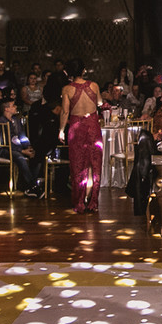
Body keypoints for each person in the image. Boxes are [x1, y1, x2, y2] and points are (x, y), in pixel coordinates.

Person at [59, 58, 102, 213]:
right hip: (92, 125)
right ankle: (93, 201)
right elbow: (99, 103)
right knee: (94, 163)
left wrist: (61, 130)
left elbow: (64, 112)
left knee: (78, 164)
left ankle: (80, 202)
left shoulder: (67, 89)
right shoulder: (94, 85)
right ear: (83, 70)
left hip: (76, 127)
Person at [0, 99, 41, 196]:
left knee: (37, 154)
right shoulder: (1, 121)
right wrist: (22, 151)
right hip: (4, 149)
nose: (15, 107)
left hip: (18, 148)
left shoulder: (16, 120)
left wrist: (28, 147)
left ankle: (29, 185)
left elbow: (22, 136)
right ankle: (32, 186)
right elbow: (5, 142)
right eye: (13, 105)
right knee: (20, 157)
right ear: (6, 109)